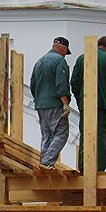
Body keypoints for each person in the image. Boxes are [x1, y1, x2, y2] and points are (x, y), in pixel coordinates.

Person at [71, 36, 106, 171]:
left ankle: (84, 166)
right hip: (103, 104)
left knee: (85, 132)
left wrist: (80, 100)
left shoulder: (81, 59)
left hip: (86, 104)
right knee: (100, 134)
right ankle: (100, 166)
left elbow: (74, 82)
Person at [29, 37, 72, 168]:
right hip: (55, 104)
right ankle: (46, 163)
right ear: (63, 48)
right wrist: (65, 103)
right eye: (66, 52)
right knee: (61, 133)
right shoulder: (59, 61)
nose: (65, 54)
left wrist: (39, 100)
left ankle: (44, 163)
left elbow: (33, 84)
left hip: (41, 105)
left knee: (46, 135)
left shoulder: (40, 61)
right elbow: (61, 84)